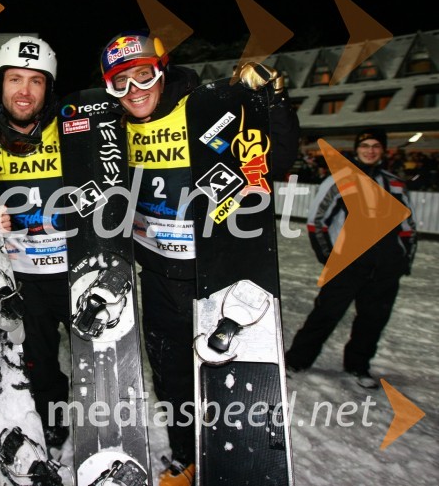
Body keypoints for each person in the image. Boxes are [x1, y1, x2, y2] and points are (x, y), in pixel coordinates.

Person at [99, 30, 300, 485]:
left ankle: (228, 458)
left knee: (219, 367)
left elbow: (279, 157)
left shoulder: (202, 108)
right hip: (154, 272)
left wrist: (273, 102)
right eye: (120, 83)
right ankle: (187, 457)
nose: (134, 91)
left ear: (162, 70)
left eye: (143, 76)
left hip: (211, 272)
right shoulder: (115, 126)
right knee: (170, 376)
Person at [0, 36, 71, 449]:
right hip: (23, 276)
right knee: (39, 362)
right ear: (0, 84)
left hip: (76, 271)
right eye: (15, 79)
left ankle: (104, 416)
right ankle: (53, 418)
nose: (24, 91)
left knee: (101, 354)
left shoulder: (73, 131)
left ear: (48, 88)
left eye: (36, 81)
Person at [285, 128, 417, 389]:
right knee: (325, 315)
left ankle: (358, 366)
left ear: (383, 150)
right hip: (348, 265)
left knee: (373, 320)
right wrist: (331, 257)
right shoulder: (340, 179)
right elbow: (316, 222)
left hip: (385, 269)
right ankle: (296, 360)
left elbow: (408, 226)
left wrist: (404, 261)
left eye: (375, 146)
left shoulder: (395, 182)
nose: (370, 150)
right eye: (365, 145)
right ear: (357, 149)